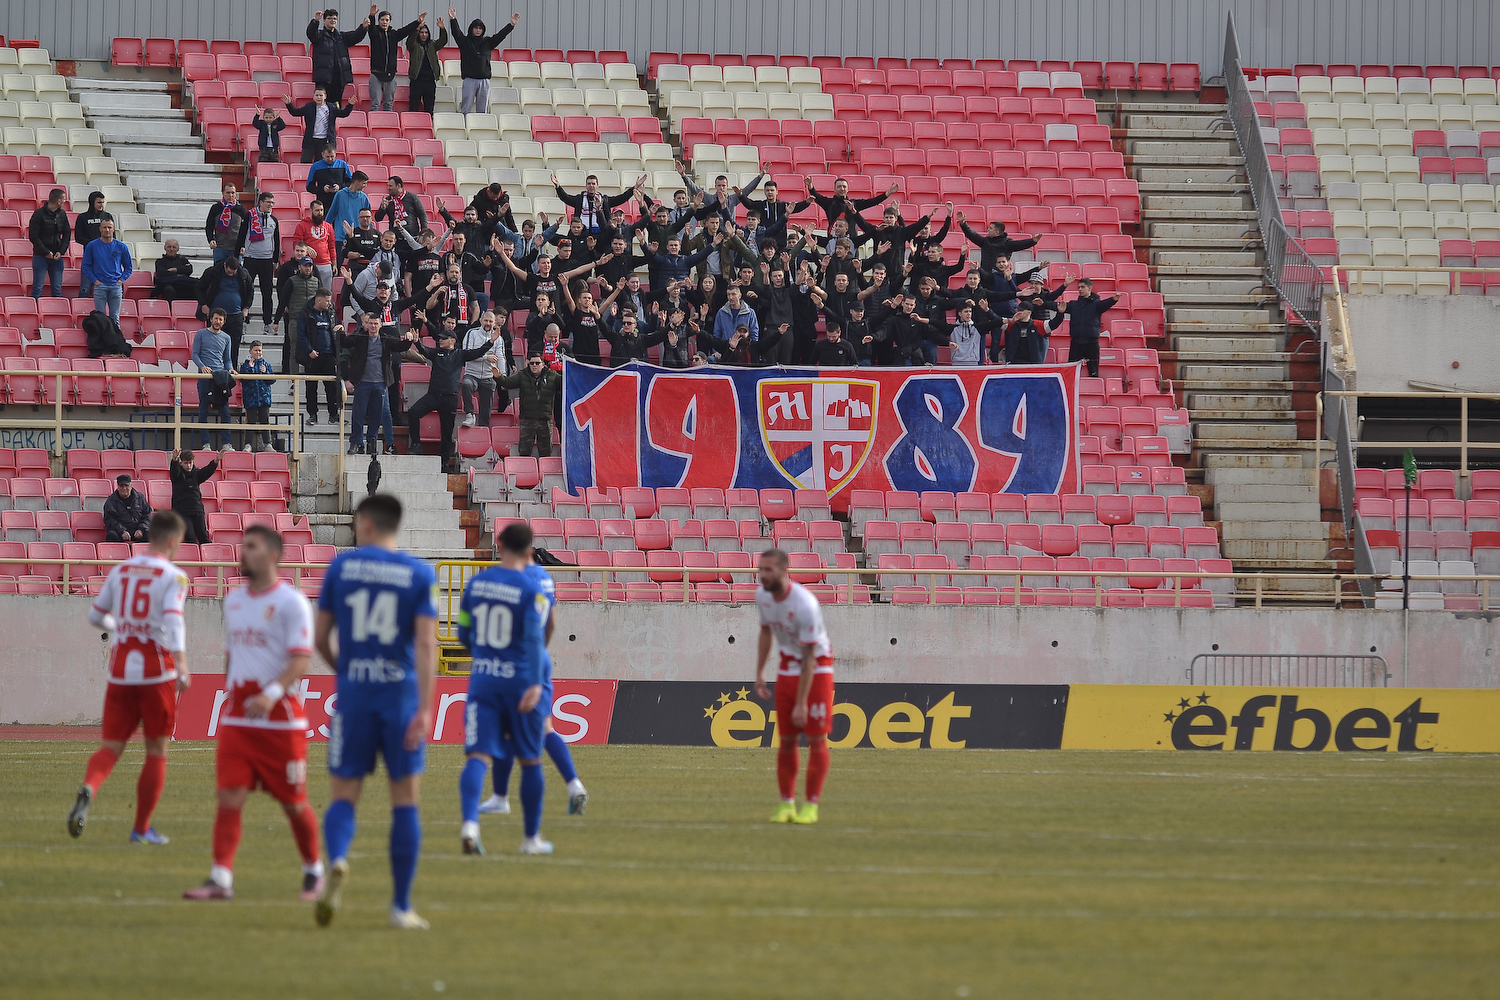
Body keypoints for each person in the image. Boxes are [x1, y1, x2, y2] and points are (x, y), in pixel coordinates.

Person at [313, 493, 439, 930]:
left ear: (365, 523)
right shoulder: (419, 574)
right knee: (405, 800)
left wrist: (345, 670)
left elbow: (320, 637)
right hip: (400, 697)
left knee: (344, 795)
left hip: (354, 696)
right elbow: (426, 645)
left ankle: (340, 859)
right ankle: (400, 907)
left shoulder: (341, 568)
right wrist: (425, 708)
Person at [183, 526, 323, 902]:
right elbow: (233, 652)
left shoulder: (293, 603)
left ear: (273, 555)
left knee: (294, 804)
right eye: (242, 546)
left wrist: (271, 693)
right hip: (238, 720)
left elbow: (301, 659)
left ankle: (314, 872)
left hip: (280, 721)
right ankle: (220, 879)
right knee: (229, 796)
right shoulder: (234, 601)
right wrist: (232, 690)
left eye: (251, 547)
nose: (241, 552)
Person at [68, 510, 191, 846]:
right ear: (172, 540)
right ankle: (141, 829)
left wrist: (120, 628)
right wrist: (181, 660)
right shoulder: (174, 576)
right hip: (157, 670)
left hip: (120, 672)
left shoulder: (121, 570)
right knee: (156, 751)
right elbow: (173, 619)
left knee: (110, 747)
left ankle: (90, 786)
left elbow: (96, 615)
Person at [455, 521, 556, 856]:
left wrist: (483, 657)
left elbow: (464, 634)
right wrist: (534, 683)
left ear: (498, 545)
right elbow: (533, 640)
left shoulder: (476, 583)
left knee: (477, 756)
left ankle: (470, 825)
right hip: (519, 681)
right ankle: (530, 840)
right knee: (529, 760)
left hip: (483, 679)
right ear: (530, 552)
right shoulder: (530, 590)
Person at [753, 547, 833, 826]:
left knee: (815, 738)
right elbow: (765, 632)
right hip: (788, 666)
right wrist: (760, 671)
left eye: (768, 570)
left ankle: (810, 806)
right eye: (761, 569)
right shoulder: (763, 597)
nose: (762, 575)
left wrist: (802, 703)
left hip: (817, 667)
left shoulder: (805, 605)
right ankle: (786, 804)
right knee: (786, 740)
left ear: (784, 571)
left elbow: (810, 656)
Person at [405, 321, 502, 469]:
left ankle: (444, 462)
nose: (440, 340)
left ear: (452, 340)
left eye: (444, 338)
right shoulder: (437, 352)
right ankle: (416, 444)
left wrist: (491, 342)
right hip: (434, 395)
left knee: (447, 431)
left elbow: (478, 352)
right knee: (413, 413)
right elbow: (425, 351)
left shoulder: (460, 354)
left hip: (450, 397)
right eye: (440, 338)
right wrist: (417, 342)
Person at [340, 311, 399, 455]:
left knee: (376, 415)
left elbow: (400, 346)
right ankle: (356, 443)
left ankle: (371, 443)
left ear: (380, 325)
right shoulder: (359, 337)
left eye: (375, 323)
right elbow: (346, 343)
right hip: (363, 382)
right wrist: (340, 332)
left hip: (380, 383)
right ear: (365, 324)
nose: (372, 326)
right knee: (358, 415)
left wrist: (411, 340)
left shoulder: (385, 338)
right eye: (369, 323)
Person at [448, 6, 520, 114]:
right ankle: (464, 127)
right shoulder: (465, 42)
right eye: (476, 28)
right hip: (469, 80)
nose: (478, 30)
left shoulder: (488, 42)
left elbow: (500, 36)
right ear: (471, 29)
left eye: (480, 28)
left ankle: (480, 128)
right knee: (465, 109)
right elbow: (456, 33)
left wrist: (511, 25)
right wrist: (453, 20)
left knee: (482, 110)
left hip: (484, 81)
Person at [1049, 277, 1119, 378]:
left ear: (1090, 288)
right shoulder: (1074, 305)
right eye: (1079, 287)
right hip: (1076, 342)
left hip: (1092, 343)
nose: (1080, 289)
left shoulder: (1096, 304)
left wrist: (1113, 300)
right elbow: (1057, 305)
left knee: (1093, 371)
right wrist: (1043, 304)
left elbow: (1105, 304)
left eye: (1082, 287)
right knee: (1070, 370)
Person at [495, 351, 561, 457]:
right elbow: (508, 383)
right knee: (524, 451)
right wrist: (498, 377)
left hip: (545, 420)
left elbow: (566, 382)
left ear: (543, 364)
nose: (534, 365)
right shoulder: (522, 375)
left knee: (546, 452)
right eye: (532, 363)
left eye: (537, 363)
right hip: (527, 419)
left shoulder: (552, 375)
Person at [297, 286, 344, 424]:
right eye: (327, 301)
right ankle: (312, 415)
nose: (330, 303)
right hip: (313, 356)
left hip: (328, 355)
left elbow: (336, 325)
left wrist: (340, 328)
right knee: (311, 387)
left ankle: (333, 415)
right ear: (319, 300)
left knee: (331, 387)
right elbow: (301, 335)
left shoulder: (330, 312)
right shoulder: (305, 313)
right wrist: (309, 350)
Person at [197, 256, 253, 366]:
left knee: (234, 347)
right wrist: (203, 304)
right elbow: (199, 288)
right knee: (212, 346)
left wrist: (246, 307)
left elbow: (250, 290)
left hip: (236, 316)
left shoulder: (244, 274)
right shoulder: (212, 272)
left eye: (233, 272)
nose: (231, 274)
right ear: (225, 265)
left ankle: (231, 372)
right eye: (229, 271)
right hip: (215, 316)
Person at [307, 7, 370, 103]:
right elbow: (311, 33)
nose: (332, 20)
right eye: (329, 18)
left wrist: (363, 27)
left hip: (339, 77)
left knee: (336, 104)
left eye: (335, 18)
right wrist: (315, 21)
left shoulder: (342, 37)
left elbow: (356, 36)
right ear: (324, 21)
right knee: (322, 103)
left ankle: (335, 118)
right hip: (324, 77)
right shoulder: (319, 36)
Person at [192, 310, 235, 450]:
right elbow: (195, 354)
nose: (218, 322)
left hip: (220, 379)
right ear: (211, 319)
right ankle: (206, 444)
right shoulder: (201, 334)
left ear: (224, 321)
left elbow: (227, 359)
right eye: (216, 318)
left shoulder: (227, 337)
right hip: (204, 378)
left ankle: (227, 443)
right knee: (203, 410)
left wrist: (230, 369)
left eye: (221, 319)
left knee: (225, 412)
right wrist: (202, 366)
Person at [367, 8, 423, 112]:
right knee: (375, 105)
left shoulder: (394, 35)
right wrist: (372, 16)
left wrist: (418, 21)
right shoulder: (375, 34)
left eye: (387, 20)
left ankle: (388, 127)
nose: (384, 22)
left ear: (390, 22)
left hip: (390, 75)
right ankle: (375, 127)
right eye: (382, 20)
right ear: (379, 21)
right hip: (376, 74)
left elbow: (406, 30)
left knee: (389, 105)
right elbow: (371, 30)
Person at [275, 252, 321, 375]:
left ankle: (309, 377)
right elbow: (283, 300)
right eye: (305, 265)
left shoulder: (316, 281)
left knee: (311, 349)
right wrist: (276, 320)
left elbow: (322, 301)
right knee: (293, 349)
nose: (308, 268)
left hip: (311, 320)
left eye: (310, 266)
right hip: (295, 319)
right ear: (299, 267)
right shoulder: (292, 281)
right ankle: (293, 379)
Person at [242, 192, 281, 330]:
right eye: (268, 202)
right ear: (260, 202)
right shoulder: (250, 216)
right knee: (246, 290)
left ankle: (267, 322)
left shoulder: (274, 220)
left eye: (272, 202)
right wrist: (239, 253)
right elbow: (242, 234)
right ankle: (244, 320)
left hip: (266, 260)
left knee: (267, 292)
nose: (271, 205)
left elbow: (276, 241)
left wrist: (276, 259)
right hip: (251, 258)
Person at [284, 86, 353, 165]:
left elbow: (344, 114)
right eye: (317, 95)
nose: (319, 97)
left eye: (321, 95)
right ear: (313, 97)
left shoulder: (331, 107)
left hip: (325, 140)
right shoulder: (309, 107)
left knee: (321, 164)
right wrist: (289, 104)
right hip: (310, 140)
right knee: (305, 162)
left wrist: (350, 105)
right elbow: (295, 112)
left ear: (325, 96)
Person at [81, 218, 132, 323]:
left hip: (116, 286)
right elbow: (85, 266)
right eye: (105, 227)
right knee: (100, 318)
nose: (107, 230)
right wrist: (95, 281)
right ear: (100, 229)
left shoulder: (121, 247)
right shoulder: (92, 246)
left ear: (113, 229)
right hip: (100, 286)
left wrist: (121, 280)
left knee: (115, 318)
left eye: (109, 227)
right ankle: (101, 340)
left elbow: (128, 267)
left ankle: (116, 339)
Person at [552, 172, 635, 235]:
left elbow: (621, 198)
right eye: (589, 183)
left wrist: (634, 189)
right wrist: (558, 187)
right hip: (582, 234)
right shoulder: (579, 199)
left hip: (600, 235)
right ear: (586, 186)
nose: (591, 186)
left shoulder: (604, 200)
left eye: (593, 183)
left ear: (597, 185)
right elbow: (566, 198)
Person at [460, 310, 505, 427]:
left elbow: (500, 357)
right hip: (472, 374)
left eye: (491, 321)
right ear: (481, 321)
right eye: (486, 320)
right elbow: (467, 354)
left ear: (495, 323)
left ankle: (482, 432)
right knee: (466, 384)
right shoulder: (472, 333)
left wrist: (503, 378)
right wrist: (486, 358)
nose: (488, 323)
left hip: (488, 376)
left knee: (486, 411)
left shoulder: (498, 339)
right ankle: (469, 414)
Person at [28, 187, 70, 298]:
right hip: (40, 256)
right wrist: (46, 252)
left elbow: (67, 234)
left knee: (57, 289)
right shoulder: (38, 214)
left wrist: (61, 252)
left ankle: (57, 313)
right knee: (38, 287)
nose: (65, 201)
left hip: (57, 256)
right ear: (58, 201)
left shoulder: (62, 214)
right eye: (64, 199)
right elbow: (33, 236)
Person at [238, 341, 277, 452]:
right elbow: (242, 379)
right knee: (251, 421)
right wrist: (250, 369)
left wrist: (265, 373)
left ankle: (267, 444)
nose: (258, 352)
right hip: (251, 398)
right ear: (250, 351)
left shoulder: (266, 364)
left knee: (265, 420)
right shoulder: (245, 365)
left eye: (260, 350)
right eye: (255, 350)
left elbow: (272, 380)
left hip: (264, 398)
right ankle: (248, 444)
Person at [405, 16, 448, 114]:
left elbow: (443, 41)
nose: (424, 35)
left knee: (429, 109)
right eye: (421, 32)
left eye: (426, 32)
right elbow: (409, 42)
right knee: (413, 108)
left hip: (430, 82)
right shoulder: (414, 45)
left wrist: (442, 29)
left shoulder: (432, 44)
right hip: (416, 81)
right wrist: (416, 29)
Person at [328, 170, 371, 263]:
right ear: (356, 182)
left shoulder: (364, 197)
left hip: (357, 238)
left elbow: (369, 218)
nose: (365, 186)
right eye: (364, 183)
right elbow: (331, 214)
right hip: (341, 237)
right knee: (337, 265)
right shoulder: (340, 195)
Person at [74, 191, 111, 300]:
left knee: (106, 287)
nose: (101, 205)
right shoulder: (82, 217)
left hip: (105, 259)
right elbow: (78, 237)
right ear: (92, 202)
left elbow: (113, 236)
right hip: (89, 258)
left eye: (103, 202)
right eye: (99, 202)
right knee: (85, 288)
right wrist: (93, 244)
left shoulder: (107, 216)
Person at [292, 200, 337, 290]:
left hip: (326, 264)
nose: (320, 213)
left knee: (326, 292)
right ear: (311, 211)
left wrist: (334, 264)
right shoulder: (302, 226)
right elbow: (296, 243)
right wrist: (306, 248)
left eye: (321, 210)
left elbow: (332, 246)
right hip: (308, 264)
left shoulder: (328, 226)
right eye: (317, 210)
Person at [205, 182, 249, 264]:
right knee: (218, 273)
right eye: (228, 192)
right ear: (223, 193)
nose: (231, 195)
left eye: (233, 193)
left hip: (236, 248)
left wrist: (243, 245)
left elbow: (245, 229)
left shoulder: (241, 209)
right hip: (220, 248)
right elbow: (209, 226)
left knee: (235, 274)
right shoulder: (215, 208)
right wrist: (211, 239)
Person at [102, 474, 152, 543]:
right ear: (118, 487)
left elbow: (147, 515)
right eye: (121, 486)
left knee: (151, 534)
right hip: (120, 533)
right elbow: (109, 520)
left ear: (131, 486)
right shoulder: (111, 501)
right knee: (111, 535)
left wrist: (141, 529)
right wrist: (122, 531)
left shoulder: (140, 498)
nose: (124, 488)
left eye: (126, 485)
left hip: (138, 531)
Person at [375, 175, 426, 242]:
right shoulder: (388, 200)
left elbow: (422, 215)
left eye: (390, 186)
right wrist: (382, 208)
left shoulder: (412, 197)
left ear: (398, 186)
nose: (388, 188)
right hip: (395, 239)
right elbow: (378, 218)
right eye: (388, 186)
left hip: (412, 237)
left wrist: (423, 233)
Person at [307, 145, 354, 213]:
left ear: (335, 154)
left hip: (340, 201)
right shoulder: (316, 166)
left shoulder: (343, 165)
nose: (330, 159)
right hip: (323, 203)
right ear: (322, 154)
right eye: (327, 157)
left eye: (332, 156)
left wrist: (340, 187)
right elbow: (309, 187)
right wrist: (323, 189)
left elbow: (351, 183)